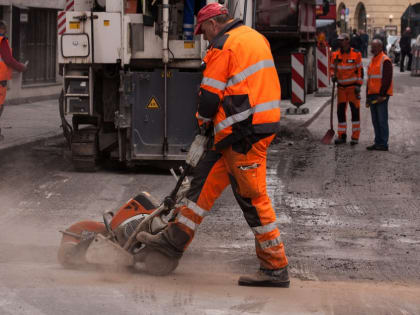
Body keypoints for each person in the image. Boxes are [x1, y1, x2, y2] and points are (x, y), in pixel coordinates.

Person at [137, 3, 289, 287]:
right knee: (201, 187)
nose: (203, 37)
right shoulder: (254, 37)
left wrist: (202, 127)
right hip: (240, 130)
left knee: (252, 199)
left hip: (244, 133)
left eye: (203, 30)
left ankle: (275, 267)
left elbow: (209, 98)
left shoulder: (223, 46)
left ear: (213, 24)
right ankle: (172, 244)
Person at [330, 33, 363, 145]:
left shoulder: (356, 54)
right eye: (339, 40)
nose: (340, 42)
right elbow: (332, 68)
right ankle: (342, 136)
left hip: (353, 88)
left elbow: (360, 71)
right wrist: (332, 76)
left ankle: (355, 137)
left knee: (355, 112)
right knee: (340, 112)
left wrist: (359, 85)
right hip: (341, 89)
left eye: (342, 40)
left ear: (347, 41)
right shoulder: (335, 55)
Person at [0, 21, 27, 141]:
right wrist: (21, 67)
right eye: (5, 29)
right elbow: (8, 60)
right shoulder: (2, 40)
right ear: (2, 29)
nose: (6, 31)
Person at [366, 39, 393, 151]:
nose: (372, 48)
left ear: (380, 47)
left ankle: (383, 144)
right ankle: (378, 142)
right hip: (372, 95)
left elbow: (387, 79)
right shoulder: (373, 60)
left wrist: (382, 95)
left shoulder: (385, 60)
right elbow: (370, 79)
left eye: (374, 46)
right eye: (372, 46)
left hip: (381, 95)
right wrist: (367, 96)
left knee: (382, 120)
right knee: (375, 120)